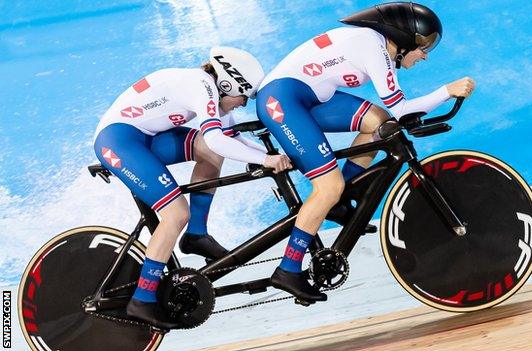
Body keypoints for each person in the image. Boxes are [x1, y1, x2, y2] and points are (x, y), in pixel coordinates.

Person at [256, 2, 476, 302]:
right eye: (423, 46)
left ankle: (341, 199)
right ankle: (289, 268)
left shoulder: (374, 44)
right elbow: (402, 110)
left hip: (310, 96)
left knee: (379, 123)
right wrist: (445, 91)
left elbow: (391, 118)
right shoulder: (373, 48)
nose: (424, 55)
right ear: (404, 39)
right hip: (283, 100)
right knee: (327, 186)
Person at [93, 47, 291, 328]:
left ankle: (196, 234)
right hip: (119, 141)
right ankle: (143, 298)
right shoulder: (201, 87)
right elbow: (218, 139)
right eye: (242, 98)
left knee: (210, 150)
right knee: (176, 214)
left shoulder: (208, 88)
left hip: (144, 137)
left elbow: (229, 139)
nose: (241, 105)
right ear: (226, 85)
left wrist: (272, 157)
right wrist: (265, 159)